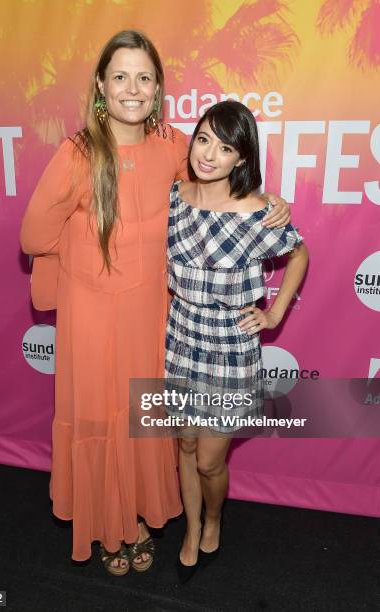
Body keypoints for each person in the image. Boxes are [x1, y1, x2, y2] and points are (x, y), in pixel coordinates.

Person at [20, 30, 291, 576]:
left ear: (158, 87)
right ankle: (106, 529)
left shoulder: (171, 144)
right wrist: (87, 261)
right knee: (102, 420)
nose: (132, 88)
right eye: (120, 76)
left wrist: (269, 201)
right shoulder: (76, 153)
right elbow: (33, 238)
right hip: (93, 316)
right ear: (101, 84)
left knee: (143, 424)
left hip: (154, 316)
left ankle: (139, 519)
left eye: (144, 77)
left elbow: (211, 190)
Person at [165, 100, 309, 583]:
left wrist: (274, 312)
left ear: (241, 158)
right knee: (184, 445)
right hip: (182, 336)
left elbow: (299, 253)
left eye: (225, 147)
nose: (208, 154)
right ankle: (190, 527)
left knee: (209, 461)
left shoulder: (257, 214)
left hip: (230, 345)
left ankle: (213, 516)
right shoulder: (174, 197)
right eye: (203, 139)